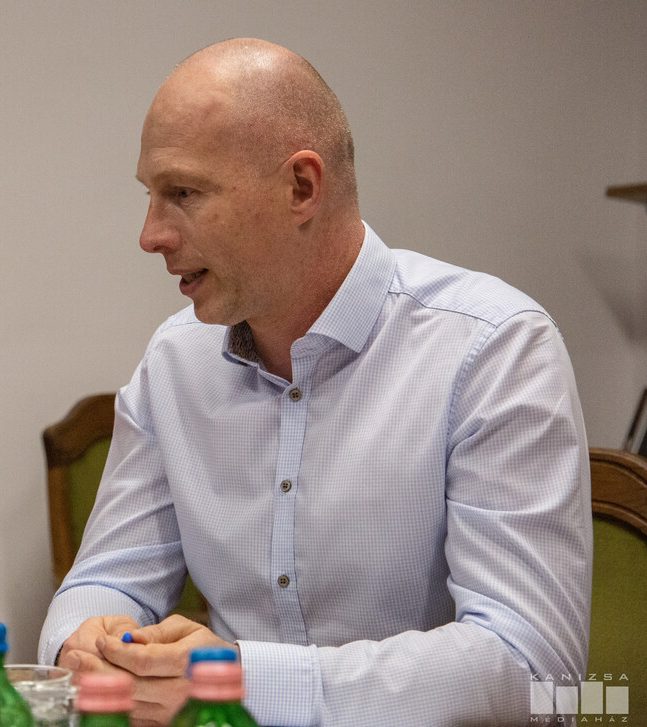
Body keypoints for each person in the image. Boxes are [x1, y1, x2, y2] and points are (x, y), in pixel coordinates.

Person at [38, 39, 591, 727]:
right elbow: (105, 579)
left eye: (183, 193)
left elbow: (536, 672)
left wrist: (240, 681)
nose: (151, 235)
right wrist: (86, 643)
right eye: (150, 196)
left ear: (301, 186)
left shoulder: (494, 347)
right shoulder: (176, 359)